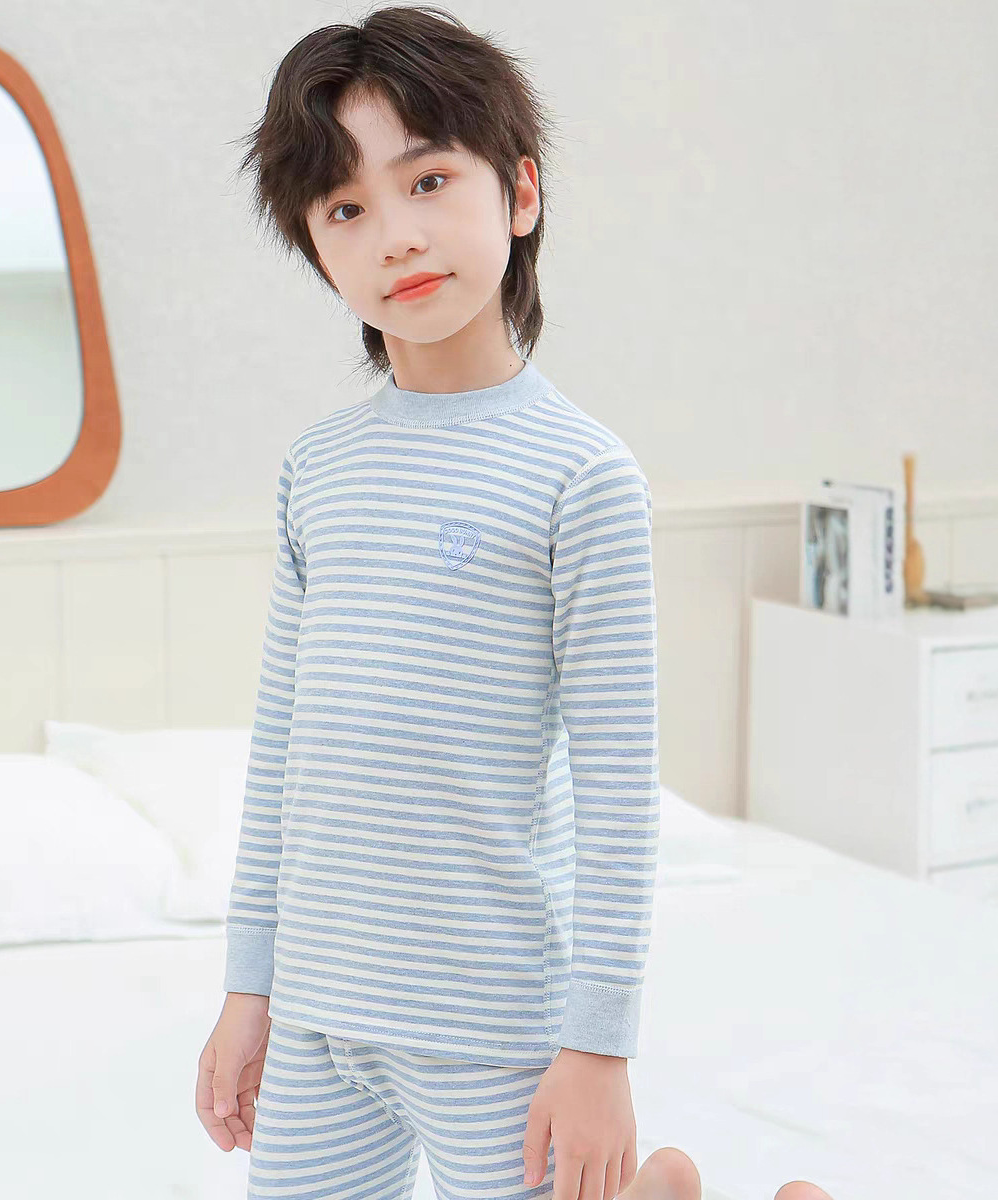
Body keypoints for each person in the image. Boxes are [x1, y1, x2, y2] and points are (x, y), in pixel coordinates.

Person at [196, 7, 836, 1199]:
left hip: (491, 1019)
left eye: (429, 181)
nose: (397, 233)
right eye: (345, 209)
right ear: (318, 252)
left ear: (521, 193)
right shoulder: (317, 471)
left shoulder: (580, 475)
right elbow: (282, 748)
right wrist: (249, 989)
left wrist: (598, 1048)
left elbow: (617, 789)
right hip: (322, 1015)